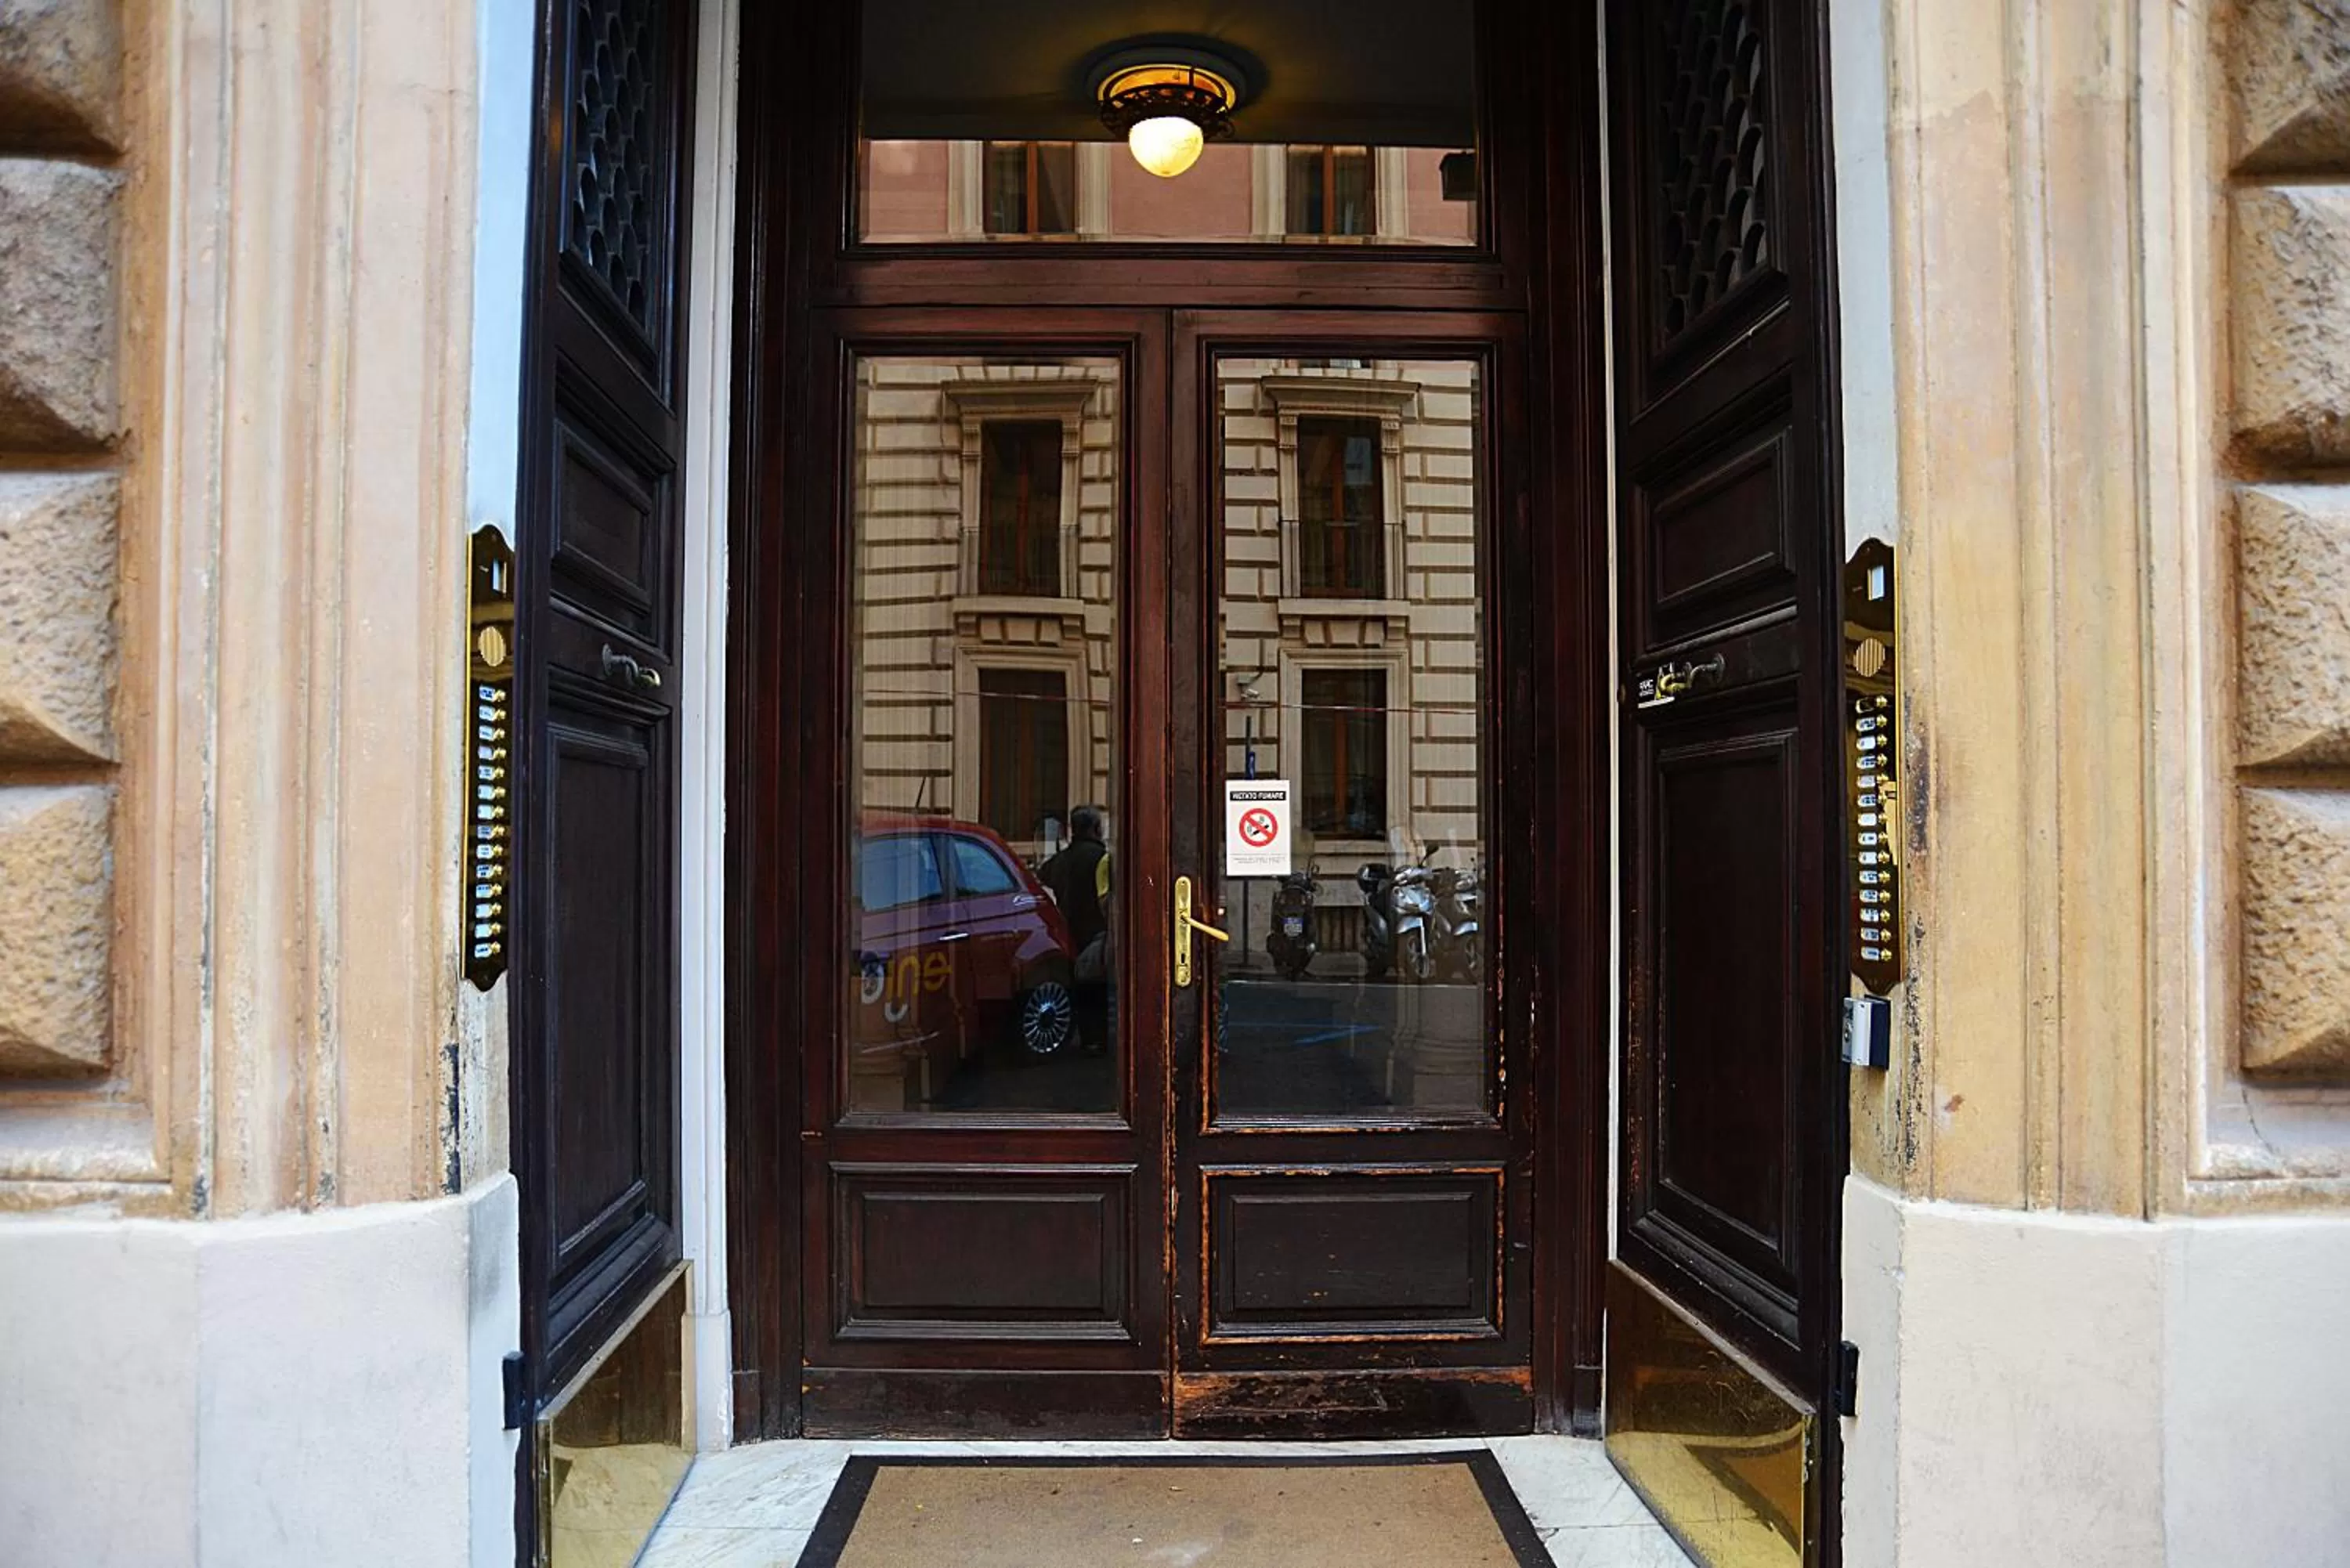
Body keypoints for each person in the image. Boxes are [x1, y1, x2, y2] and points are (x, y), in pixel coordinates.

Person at [1038, 804, 1112, 1055]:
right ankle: (1097, 1039)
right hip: (1097, 932)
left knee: (1079, 987)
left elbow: (1042, 875)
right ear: (1096, 828)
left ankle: (1083, 1036)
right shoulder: (1101, 858)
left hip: (1069, 932)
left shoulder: (1060, 860)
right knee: (1098, 989)